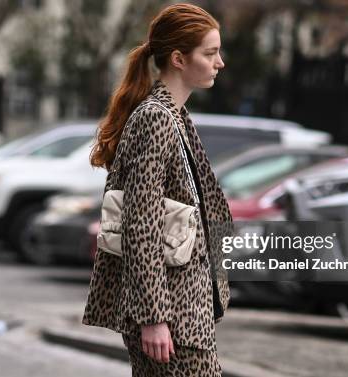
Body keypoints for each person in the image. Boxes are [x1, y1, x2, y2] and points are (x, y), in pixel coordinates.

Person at [84, 3, 234, 376]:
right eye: (211, 53)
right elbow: (141, 224)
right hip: (171, 315)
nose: (220, 63)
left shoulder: (176, 117)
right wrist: (153, 317)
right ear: (179, 59)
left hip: (186, 310)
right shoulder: (155, 118)